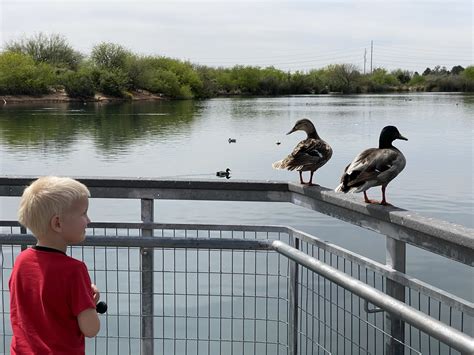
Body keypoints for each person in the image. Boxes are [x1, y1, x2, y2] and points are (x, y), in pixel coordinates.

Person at [9, 176, 100, 354]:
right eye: (83, 213)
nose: (88, 220)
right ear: (57, 223)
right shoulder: (74, 270)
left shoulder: (21, 261)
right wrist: (90, 304)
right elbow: (90, 329)